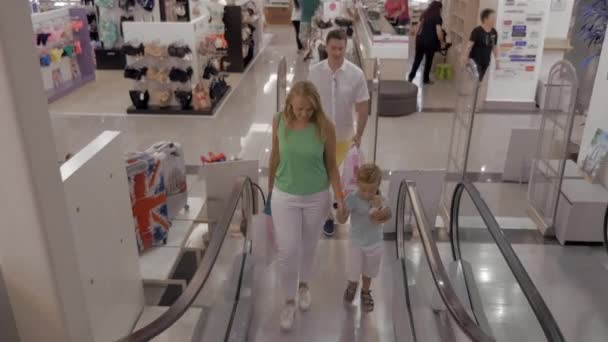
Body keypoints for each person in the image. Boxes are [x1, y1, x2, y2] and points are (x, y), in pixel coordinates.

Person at [268, 81, 345, 331]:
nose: (304, 114)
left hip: (316, 197)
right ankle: (289, 300)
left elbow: (332, 166)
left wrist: (340, 198)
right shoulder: (278, 120)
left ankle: (304, 286)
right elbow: (275, 156)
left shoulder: (325, 126)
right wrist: (269, 192)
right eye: (300, 109)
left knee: (309, 247)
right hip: (284, 195)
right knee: (288, 251)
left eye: (309, 110)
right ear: (290, 102)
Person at [308, 29, 370, 237]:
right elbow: (308, 104)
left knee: (343, 179)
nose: (336, 52)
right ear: (326, 47)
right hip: (319, 136)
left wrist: (359, 134)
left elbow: (363, 107)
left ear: (346, 47)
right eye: (332, 48)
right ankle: (327, 216)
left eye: (340, 48)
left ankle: (343, 209)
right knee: (321, 179)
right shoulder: (314, 72)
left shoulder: (356, 74)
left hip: (344, 137)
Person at [337, 164, 392, 312]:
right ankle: (352, 285)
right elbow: (342, 219)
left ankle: (366, 292)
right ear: (357, 185)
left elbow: (388, 214)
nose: (367, 194)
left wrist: (381, 213)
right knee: (354, 269)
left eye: (371, 190)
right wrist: (340, 211)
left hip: (374, 243)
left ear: (378, 185)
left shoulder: (381, 199)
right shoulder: (353, 198)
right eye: (363, 190)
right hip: (356, 242)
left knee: (369, 271)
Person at [407, 1, 446, 84]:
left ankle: (411, 77)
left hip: (420, 40)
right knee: (428, 61)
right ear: (439, 8)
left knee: (417, 60)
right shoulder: (437, 17)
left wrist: (416, 38)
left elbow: (418, 26)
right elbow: (438, 31)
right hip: (430, 41)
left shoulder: (424, 14)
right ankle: (425, 79)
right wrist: (442, 42)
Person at [462, 8, 499, 81]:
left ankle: (476, 91)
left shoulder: (494, 32)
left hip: (486, 61)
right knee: (475, 80)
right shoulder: (477, 31)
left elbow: (494, 46)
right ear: (485, 19)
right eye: (493, 18)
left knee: (480, 81)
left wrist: (497, 59)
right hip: (475, 61)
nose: (495, 19)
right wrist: (465, 57)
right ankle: (473, 92)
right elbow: (469, 45)